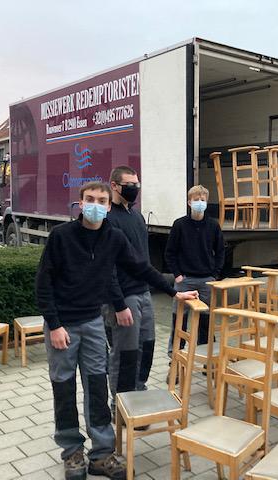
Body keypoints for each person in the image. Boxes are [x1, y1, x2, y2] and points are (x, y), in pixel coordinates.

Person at [36, 181, 197, 480]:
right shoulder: (61, 237)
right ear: (80, 203)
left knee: (97, 386)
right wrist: (55, 325)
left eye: (101, 200)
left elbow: (141, 268)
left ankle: (101, 454)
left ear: (109, 206)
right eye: (89, 199)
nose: (95, 204)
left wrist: (175, 292)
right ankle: (72, 451)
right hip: (63, 326)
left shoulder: (114, 238)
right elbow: (43, 285)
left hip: (94, 323)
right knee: (64, 388)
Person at [103, 166, 158, 414]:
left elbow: (142, 260)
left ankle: (139, 393)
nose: (134, 188)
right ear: (114, 185)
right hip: (123, 298)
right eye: (129, 184)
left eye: (137, 183)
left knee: (146, 347)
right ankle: (121, 405)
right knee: (124, 354)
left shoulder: (136, 216)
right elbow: (107, 267)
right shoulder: (107, 218)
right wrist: (119, 304)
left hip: (143, 293)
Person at [165, 184, 225, 356]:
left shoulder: (213, 226)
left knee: (206, 321)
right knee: (179, 319)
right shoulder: (179, 225)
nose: (200, 203)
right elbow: (170, 253)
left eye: (203, 200)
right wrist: (177, 275)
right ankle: (176, 354)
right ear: (189, 202)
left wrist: (215, 274)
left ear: (207, 202)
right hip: (185, 281)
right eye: (196, 200)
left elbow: (221, 251)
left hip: (207, 281)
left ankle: (205, 354)